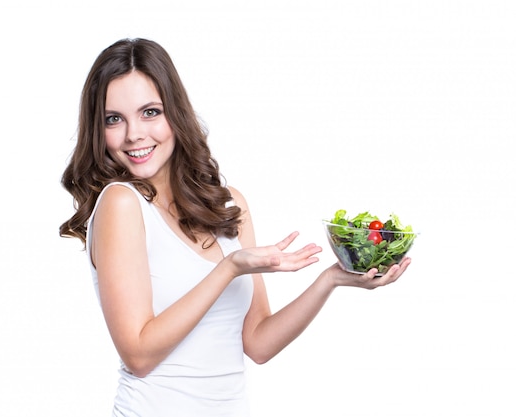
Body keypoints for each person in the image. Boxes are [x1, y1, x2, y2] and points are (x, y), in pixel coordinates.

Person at [59, 38, 411, 417]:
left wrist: (331, 279)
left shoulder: (229, 204)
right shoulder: (121, 203)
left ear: (175, 112)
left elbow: (258, 343)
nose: (133, 134)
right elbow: (139, 354)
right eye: (114, 119)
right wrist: (229, 268)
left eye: (150, 112)